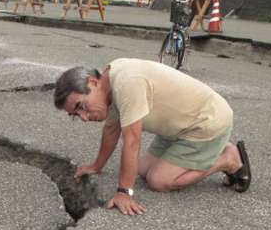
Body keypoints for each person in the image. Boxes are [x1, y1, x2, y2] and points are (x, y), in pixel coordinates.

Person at [54, 58, 251, 215]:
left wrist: (125, 192)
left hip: (205, 122)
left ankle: (228, 159)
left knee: (159, 181)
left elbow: (132, 141)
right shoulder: (108, 83)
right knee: (141, 170)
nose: (84, 117)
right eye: (75, 115)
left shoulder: (127, 83)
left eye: (81, 106)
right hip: (177, 127)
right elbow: (111, 130)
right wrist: (97, 165)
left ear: (92, 82)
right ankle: (211, 153)